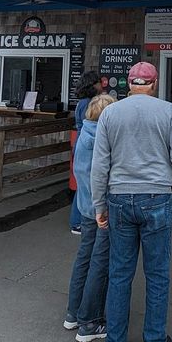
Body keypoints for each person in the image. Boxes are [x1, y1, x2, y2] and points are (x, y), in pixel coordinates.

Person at [91, 61, 172, 342]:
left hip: (119, 198)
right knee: (157, 274)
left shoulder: (110, 112)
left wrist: (98, 206)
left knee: (119, 274)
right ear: (154, 83)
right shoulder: (168, 111)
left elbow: (99, 166)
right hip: (156, 197)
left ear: (129, 84)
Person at [63, 93, 116, 340]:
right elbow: (103, 175)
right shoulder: (101, 139)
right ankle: (90, 321)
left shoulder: (85, 133)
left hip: (84, 206)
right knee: (99, 262)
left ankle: (73, 313)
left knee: (84, 259)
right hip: (100, 209)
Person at [69, 71, 102, 234]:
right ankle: (77, 222)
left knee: (84, 185)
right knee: (84, 186)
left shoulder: (83, 102)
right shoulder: (87, 103)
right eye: (98, 82)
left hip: (81, 145)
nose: (101, 85)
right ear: (92, 85)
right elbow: (89, 127)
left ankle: (80, 219)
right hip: (86, 146)